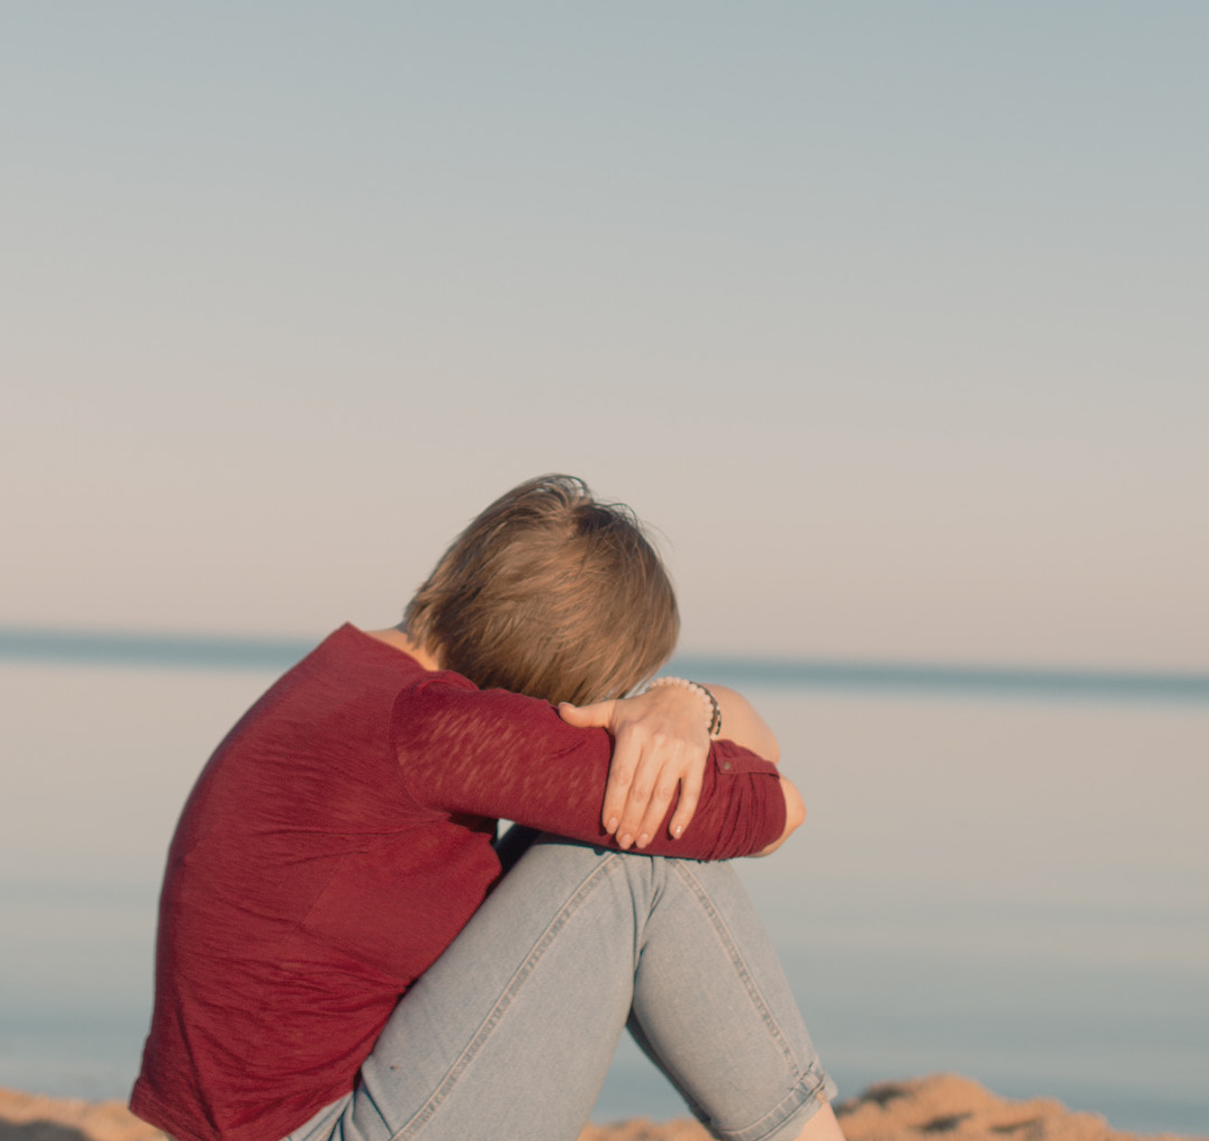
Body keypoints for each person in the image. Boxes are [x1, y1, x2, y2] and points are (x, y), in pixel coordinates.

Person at [130, 475, 840, 1141]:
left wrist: (684, 704)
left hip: (268, 1122)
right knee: (641, 860)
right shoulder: (439, 727)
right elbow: (774, 807)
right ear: (566, 672)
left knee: (608, 819)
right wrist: (676, 715)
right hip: (321, 1131)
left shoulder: (354, 677)